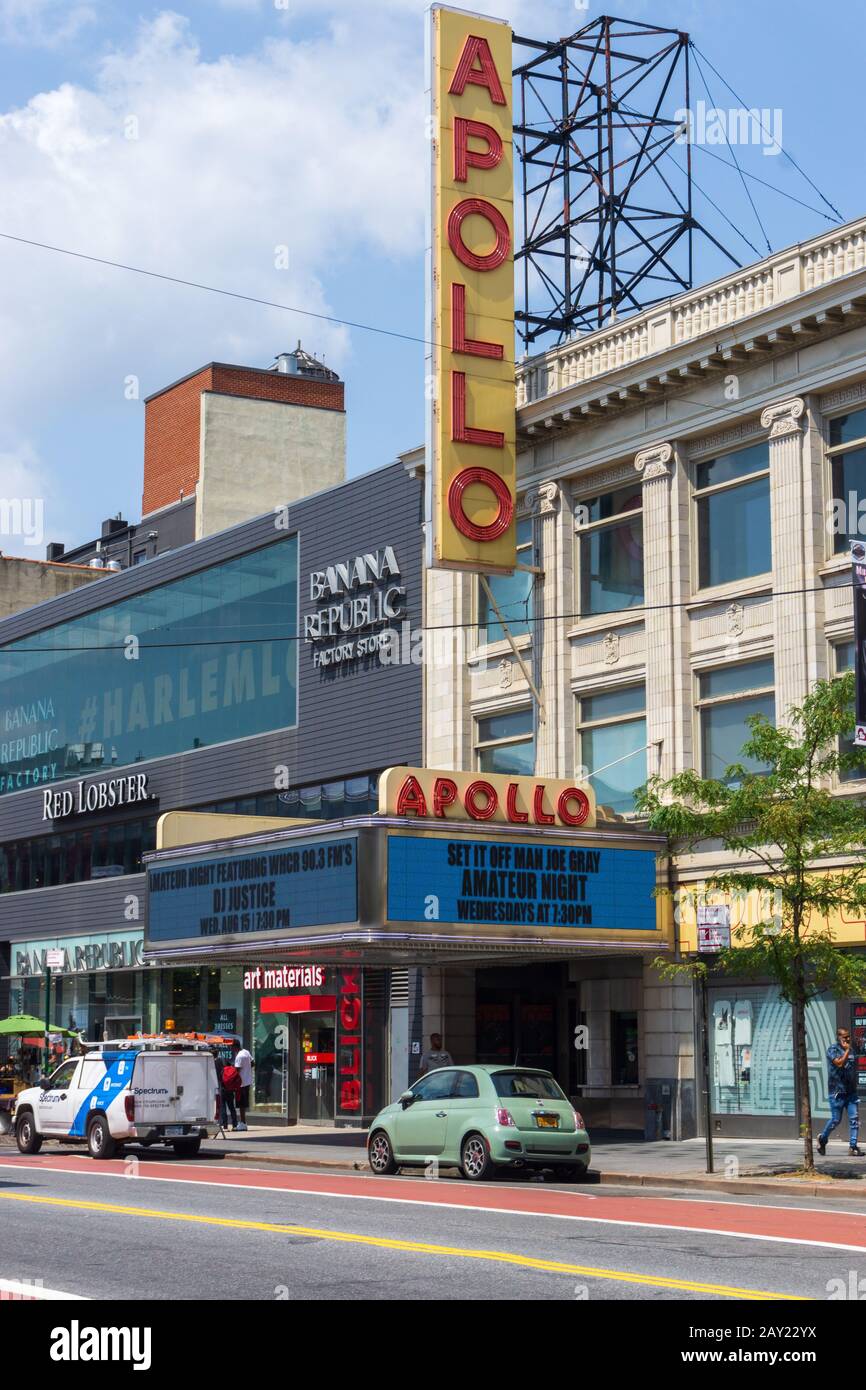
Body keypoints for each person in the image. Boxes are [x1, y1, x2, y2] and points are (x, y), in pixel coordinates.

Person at [818, 1027, 863, 1156]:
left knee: (854, 1119)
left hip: (850, 1092)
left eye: (848, 1036)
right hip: (837, 1092)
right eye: (844, 1037)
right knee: (836, 1120)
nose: (848, 1039)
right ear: (838, 1037)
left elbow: (853, 1069)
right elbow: (839, 1063)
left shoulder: (853, 1051)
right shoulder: (832, 1050)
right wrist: (847, 1050)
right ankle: (823, 1139)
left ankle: (853, 1147)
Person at [234, 1042, 253, 1131]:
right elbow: (253, 1063)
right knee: (243, 1104)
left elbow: (236, 1070)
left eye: (232, 1047)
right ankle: (243, 1122)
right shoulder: (246, 1052)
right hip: (247, 1081)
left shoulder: (239, 1057)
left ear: (235, 1047)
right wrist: (247, 1070)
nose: (231, 1049)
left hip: (241, 1083)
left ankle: (243, 1123)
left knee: (241, 1104)